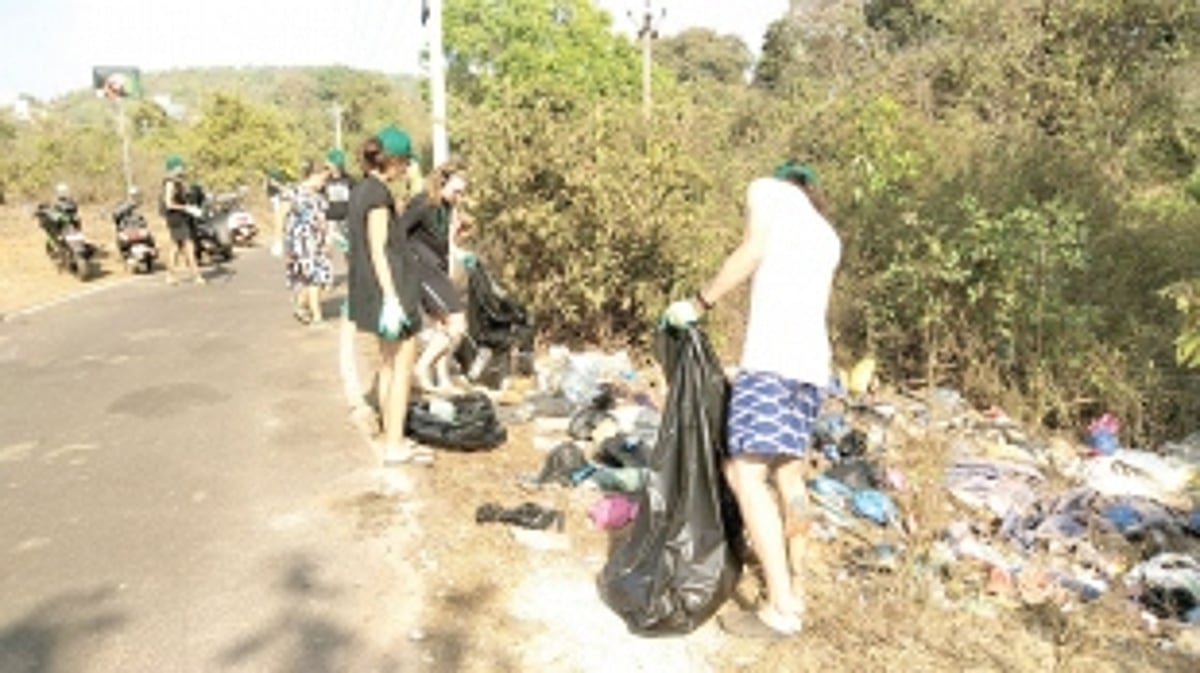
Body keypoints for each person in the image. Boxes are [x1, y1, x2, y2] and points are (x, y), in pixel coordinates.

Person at [663, 160, 841, 638]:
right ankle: (796, 585)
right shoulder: (825, 233)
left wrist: (698, 303)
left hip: (774, 362)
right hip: (811, 367)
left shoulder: (768, 191)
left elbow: (752, 251)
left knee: (745, 474)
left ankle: (781, 608)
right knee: (789, 474)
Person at [345, 125, 433, 466]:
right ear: (393, 161)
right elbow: (380, 249)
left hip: (372, 290)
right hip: (392, 290)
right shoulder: (378, 196)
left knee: (386, 363)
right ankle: (395, 445)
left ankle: (390, 434)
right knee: (401, 368)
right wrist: (393, 298)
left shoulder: (361, 189)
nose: (406, 169)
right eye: (405, 162)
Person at [399, 159, 471, 395]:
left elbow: (444, 241)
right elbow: (397, 233)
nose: (459, 197)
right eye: (456, 191)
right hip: (422, 269)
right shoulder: (422, 203)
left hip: (438, 268)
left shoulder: (447, 206)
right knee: (457, 324)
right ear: (442, 182)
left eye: (462, 192)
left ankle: (442, 378)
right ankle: (420, 369)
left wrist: (458, 236)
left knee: (443, 325)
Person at [284, 161, 333, 325]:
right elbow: (281, 213)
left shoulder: (319, 196)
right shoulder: (294, 192)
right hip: (302, 242)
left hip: (317, 241)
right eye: (323, 179)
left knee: (318, 277)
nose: (324, 183)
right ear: (314, 176)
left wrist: (327, 240)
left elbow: (322, 220)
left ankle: (301, 306)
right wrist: (279, 238)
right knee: (313, 278)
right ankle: (317, 317)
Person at [161, 155, 205, 285]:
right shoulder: (170, 183)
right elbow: (168, 203)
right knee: (189, 245)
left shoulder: (179, 181)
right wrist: (186, 207)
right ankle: (196, 275)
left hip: (182, 216)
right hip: (176, 218)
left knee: (175, 246)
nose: (182, 169)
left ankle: (170, 275)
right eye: (179, 167)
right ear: (173, 168)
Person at [322, 148, 355, 255]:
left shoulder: (349, 180)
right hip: (330, 218)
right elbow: (321, 197)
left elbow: (354, 197)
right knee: (326, 247)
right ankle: (325, 270)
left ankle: (351, 269)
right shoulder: (326, 180)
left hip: (345, 218)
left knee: (347, 249)